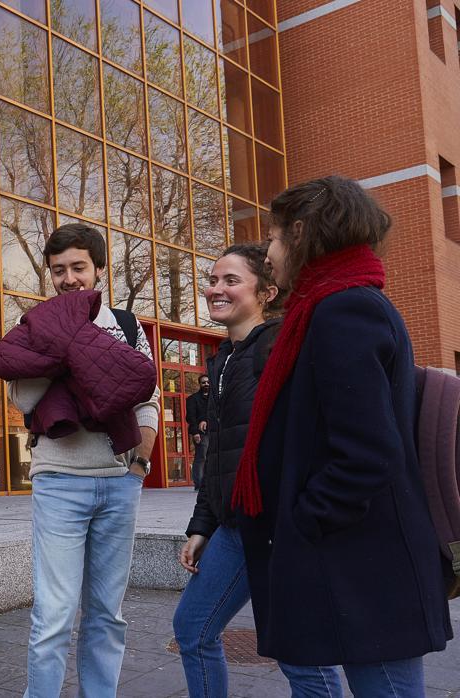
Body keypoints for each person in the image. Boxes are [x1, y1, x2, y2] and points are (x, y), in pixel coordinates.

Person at [234, 176, 453, 694]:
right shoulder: (337, 304)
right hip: (362, 556)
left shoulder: (342, 309)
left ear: (303, 232)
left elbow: (367, 451)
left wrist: (306, 519)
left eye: (275, 237)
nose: (268, 253)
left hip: (363, 562)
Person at [0, 223, 161, 697]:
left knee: (107, 614)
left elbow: (147, 399)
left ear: (99, 270)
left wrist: (138, 466)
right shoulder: (37, 325)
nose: (69, 279)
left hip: (119, 484)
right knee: (53, 617)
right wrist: (69, 340)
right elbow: (23, 399)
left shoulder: (126, 326)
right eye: (59, 270)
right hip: (60, 484)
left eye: (79, 268)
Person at [172, 243, 340, 696]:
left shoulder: (279, 349)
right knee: (192, 629)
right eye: (212, 280)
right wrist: (201, 525)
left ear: (265, 292)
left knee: (299, 655)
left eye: (230, 280)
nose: (215, 289)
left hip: (279, 527)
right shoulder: (223, 360)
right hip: (233, 527)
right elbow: (221, 451)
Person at [185, 375, 210, 489]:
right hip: (200, 433)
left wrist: (205, 420)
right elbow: (190, 417)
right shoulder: (192, 399)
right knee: (201, 457)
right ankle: (199, 484)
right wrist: (195, 433)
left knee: (212, 457)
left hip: (214, 431)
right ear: (199, 384)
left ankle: (209, 483)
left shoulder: (214, 399)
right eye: (203, 382)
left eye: (208, 382)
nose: (206, 384)